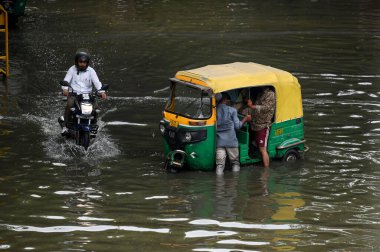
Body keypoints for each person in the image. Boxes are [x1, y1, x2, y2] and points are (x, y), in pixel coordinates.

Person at [61, 51, 107, 135]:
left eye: (84, 62)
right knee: (69, 105)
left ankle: (93, 125)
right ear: (76, 62)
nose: (82, 64)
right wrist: (65, 89)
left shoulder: (91, 71)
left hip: (88, 95)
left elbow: (97, 82)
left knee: (96, 108)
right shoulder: (72, 69)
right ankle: (65, 126)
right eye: (80, 62)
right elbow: (66, 80)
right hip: (74, 94)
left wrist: (102, 91)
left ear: (87, 63)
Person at [216, 92, 251, 175]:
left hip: (219, 142)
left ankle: (218, 185)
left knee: (220, 165)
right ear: (225, 100)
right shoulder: (232, 110)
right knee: (235, 163)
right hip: (231, 141)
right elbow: (238, 126)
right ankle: (235, 182)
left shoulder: (214, 110)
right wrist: (245, 118)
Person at [245, 87, 275, 168]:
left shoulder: (270, 94)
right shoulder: (260, 93)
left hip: (263, 125)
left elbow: (266, 108)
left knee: (263, 149)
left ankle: (266, 171)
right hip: (255, 123)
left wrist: (252, 106)